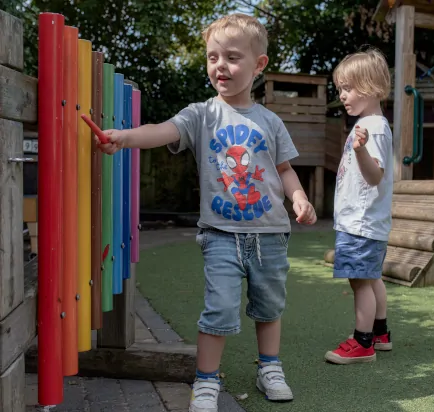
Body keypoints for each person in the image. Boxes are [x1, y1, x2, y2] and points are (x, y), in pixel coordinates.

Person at [94, 13, 317, 412]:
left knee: (269, 307)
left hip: (270, 234)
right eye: (213, 57)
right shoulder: (201, 115)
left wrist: (298, 198)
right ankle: (207, 380)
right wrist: (125, 137)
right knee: (219, 308)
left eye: (232, 57)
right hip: (220, 234)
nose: (220, 66)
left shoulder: (271, 121)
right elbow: (163, 130)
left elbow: (284, 169)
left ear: (258, 64)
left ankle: (270, 367)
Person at [324, 48, 393, 365]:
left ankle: (362, 341)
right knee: (371, 276)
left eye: (349, 88)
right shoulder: (373, 123)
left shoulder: (372, 128)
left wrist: (361, 150)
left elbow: (374, 174)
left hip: (361, 222)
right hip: (369, 222)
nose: (343, 96)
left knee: (360, 281)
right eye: (341, 89)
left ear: (372, 88)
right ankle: (380, 333)